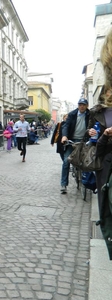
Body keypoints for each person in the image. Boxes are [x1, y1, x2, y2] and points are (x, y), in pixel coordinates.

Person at [89, 29, 112, 259]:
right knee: (67, 161)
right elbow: (99, 147)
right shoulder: (99, 113)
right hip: (105, 165)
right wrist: (101, 134)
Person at [60, 98, 89, 194]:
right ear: (78, 105)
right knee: (66, 161)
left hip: (84, 141)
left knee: (87, 161)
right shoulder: (72, 114)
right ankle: (64, 184)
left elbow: (93, 125)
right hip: (71, 140)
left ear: (86, 106)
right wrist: (64, 136)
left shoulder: (90, 114)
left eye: (84, 105)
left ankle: (88, 182)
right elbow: (66, 126)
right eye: (80, 104)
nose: (82, 106)